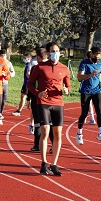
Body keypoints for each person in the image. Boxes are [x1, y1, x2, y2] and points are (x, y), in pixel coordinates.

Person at [27, 42, 71, 176]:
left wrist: (66, 90)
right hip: (44, 102)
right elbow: (30, 84)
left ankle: (54, 164)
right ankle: (44, 162)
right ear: (48, 52)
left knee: (58, 134)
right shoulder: (39, 67)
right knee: (45, 131)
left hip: (58, 103)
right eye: (53, 51)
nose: (55, 53)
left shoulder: (64, 68)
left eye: (57, 51)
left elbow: (68, 87)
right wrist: (37, 93)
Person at [76, 46, 101, 144]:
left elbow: (99, 75)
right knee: (84, 113)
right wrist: (90, 75)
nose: (96, 57)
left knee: (99, 111)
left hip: (97, 90)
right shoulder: (84, 63)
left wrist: (99, 82)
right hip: (85, 91)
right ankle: (79, 134)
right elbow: (79, 77)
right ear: (91, 54)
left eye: (98, 56)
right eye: (94, 55)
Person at [0, 49, 15, 125]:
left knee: (4, 99)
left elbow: (13, 73)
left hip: (5, 83)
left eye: (4, 55)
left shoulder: (8, 63)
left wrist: (8, 74)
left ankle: (0, 113)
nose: (3, 57)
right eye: (1, 55)